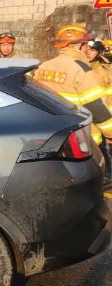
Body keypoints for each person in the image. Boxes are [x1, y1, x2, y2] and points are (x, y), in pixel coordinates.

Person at [34, 25, 112, 179]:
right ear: (76, 45)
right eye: (86, 44)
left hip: (49, 134)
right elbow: (95, 106)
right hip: (81, 139)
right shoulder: (81, 69)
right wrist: (110, 132)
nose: (87, 49)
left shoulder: (44, 66)